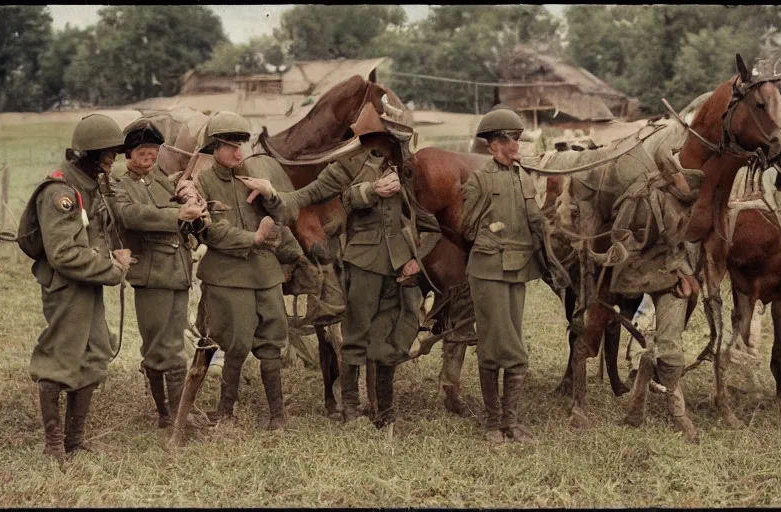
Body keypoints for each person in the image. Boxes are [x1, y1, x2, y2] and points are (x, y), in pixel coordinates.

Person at [242, 104, 442, 430]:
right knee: (356, 334)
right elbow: (317, 196)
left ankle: (385, 412)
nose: (387, 143)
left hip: (400, 266)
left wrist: (416, 261)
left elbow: (426, 219)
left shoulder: (408, 168)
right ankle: (350, 408)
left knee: (390, 336)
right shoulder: (349, 164)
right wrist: (273, 194)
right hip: (363, 260)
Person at [19, 114, 133, 463]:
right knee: (60, 359)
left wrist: (110, 255)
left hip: (89, 285)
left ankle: (74, 439)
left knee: (95, 354)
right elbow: (63, 254)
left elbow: (94, 233)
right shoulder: (61, 192)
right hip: (67, 287)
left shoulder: (87, 185)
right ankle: (53, 445)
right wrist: (112, 268)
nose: (111, 162)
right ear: (89, 154)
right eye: (107, 155)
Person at [459, 107, 567, 443]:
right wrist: (492, 231)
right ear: (492, 145)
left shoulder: (523, 177)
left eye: (517, 139)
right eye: (507, 139)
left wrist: (554, 251)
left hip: (517, 270)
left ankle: (503, 423)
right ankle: (499, 423)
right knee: (511, 350)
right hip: (488, 270)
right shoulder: (480, 179)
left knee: (494, 347)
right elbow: (466, 228)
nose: (514, 145)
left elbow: (536, 221)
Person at [190, 111, 301, 431]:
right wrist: (253, 238)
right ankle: (226, 413)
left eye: (242, 144)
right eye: (230, 145)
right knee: (236, 344)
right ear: (214, 148)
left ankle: (277, 415)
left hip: (265, 273)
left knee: (271, 342)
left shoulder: (251, 175)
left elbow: (282, 217)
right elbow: (209, 233)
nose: (239, 152)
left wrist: (271, 196)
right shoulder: (203, 182)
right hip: (227, 275)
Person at [112, 120, 208, 429]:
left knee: (175, 345)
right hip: (151, 275)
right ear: (129, 153)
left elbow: (183, 206)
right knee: (156, 347)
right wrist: (178, 214)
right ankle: (166, 416)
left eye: (153, 151)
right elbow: (132, 215)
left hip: (178, 271)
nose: (149, 157)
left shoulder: (164, 180)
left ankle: (180, 414)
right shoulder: (118, 185)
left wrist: (193, 200)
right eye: (143, 151)